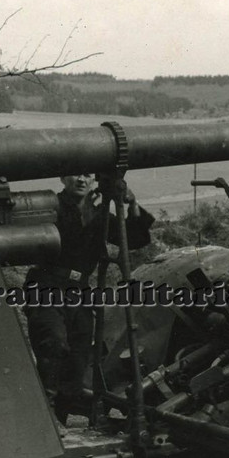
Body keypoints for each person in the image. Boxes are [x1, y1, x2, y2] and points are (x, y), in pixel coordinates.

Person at [25, 173, 155, 429]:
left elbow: (134, 239)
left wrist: (131, 204)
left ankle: (59, 421)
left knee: (78, 356)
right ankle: (45, 416)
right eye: (75, 174)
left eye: (87, 175)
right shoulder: (50, 208)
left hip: (79, 291)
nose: (81, 180)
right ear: (63, 178)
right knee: (53, 343)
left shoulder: (99, 213)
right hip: (47, 285)